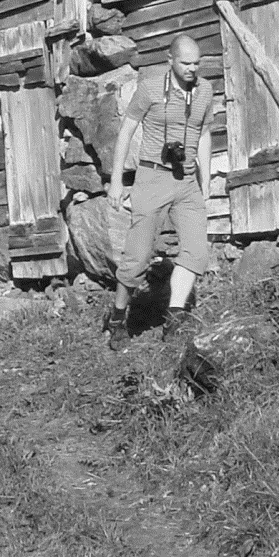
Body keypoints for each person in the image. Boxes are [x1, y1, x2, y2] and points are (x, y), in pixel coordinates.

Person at [106, 34, 215, 345]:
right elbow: (126, 130)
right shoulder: (151, 88)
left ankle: (175, 317)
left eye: (197, 63)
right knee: (137, 258)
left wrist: (205, 180)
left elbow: (204, 133)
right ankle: (117, 316)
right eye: (186, 63)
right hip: (152, 177)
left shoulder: (205, 91)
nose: (193, 69)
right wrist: (116, 181)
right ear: (170, 61)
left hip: (186, 181)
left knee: (195, 251)